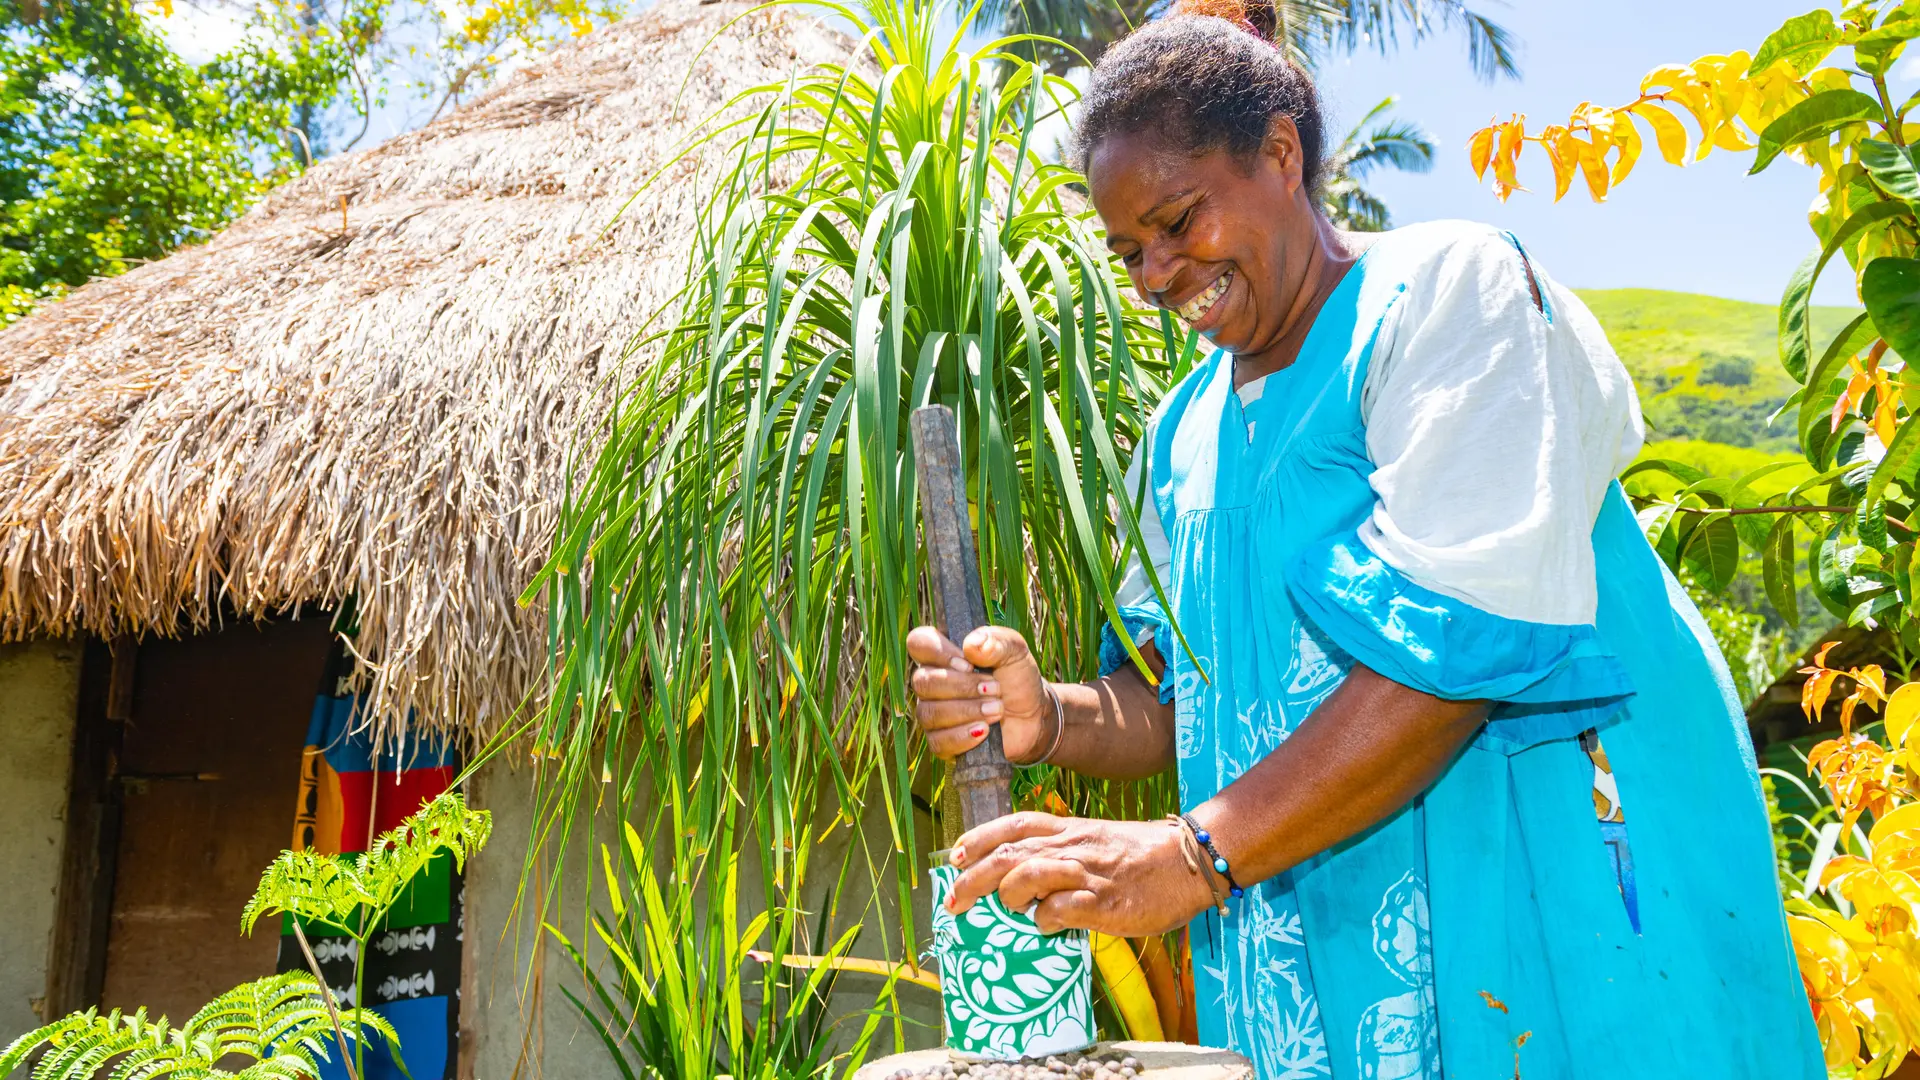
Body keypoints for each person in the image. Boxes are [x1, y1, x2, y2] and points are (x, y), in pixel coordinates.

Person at [903, 1, 1825, 1076]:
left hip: (1533, 901)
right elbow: (1172, 696)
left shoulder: (1447, 298)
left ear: (1281, 156)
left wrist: (1193, 855)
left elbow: (1458, 650)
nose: (1156, 273)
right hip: (1303, 952)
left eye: (1179, 219)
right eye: (1128, 250)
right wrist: (1048, 714)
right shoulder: (1182, 433)